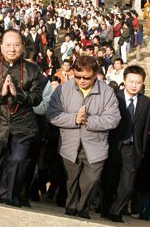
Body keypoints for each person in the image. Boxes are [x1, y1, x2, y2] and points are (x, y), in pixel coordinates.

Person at [47, 56, 120, 219]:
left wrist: (89, 120)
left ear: (95, 74)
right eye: (78, 76)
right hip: (70, 144)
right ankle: (71, 207)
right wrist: (75, 119)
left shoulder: (107, 92)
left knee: (92, 180)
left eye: (86, 77)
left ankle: (83, 207)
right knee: (71, 181)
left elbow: (113, 119)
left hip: (96, 146)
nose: (81, 81)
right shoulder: (63, 89)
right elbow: (52, 115)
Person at [0, 28, 43, 207]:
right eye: (8, 45)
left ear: (22, 46)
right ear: (1, 46)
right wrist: (1, 93)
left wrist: (18, 94)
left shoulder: (33, 69)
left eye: (16, 45)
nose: (12, 49)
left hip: (24, 124)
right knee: (1, 163)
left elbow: (37, 98)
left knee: (18, 159)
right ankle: (5, 195)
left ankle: (9, 196)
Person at [101, 65, 150, 223]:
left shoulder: (146, 102)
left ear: (142, 83)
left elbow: (144, 128)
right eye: (131, 81)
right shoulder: (114, 97)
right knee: (109, 180)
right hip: (114, 145)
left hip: (132, 147)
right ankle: (105, 209)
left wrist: (141, 150)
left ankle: (116, 211)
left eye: (138, 82)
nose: (134, 85)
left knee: (128, 183)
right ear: (124, 81)